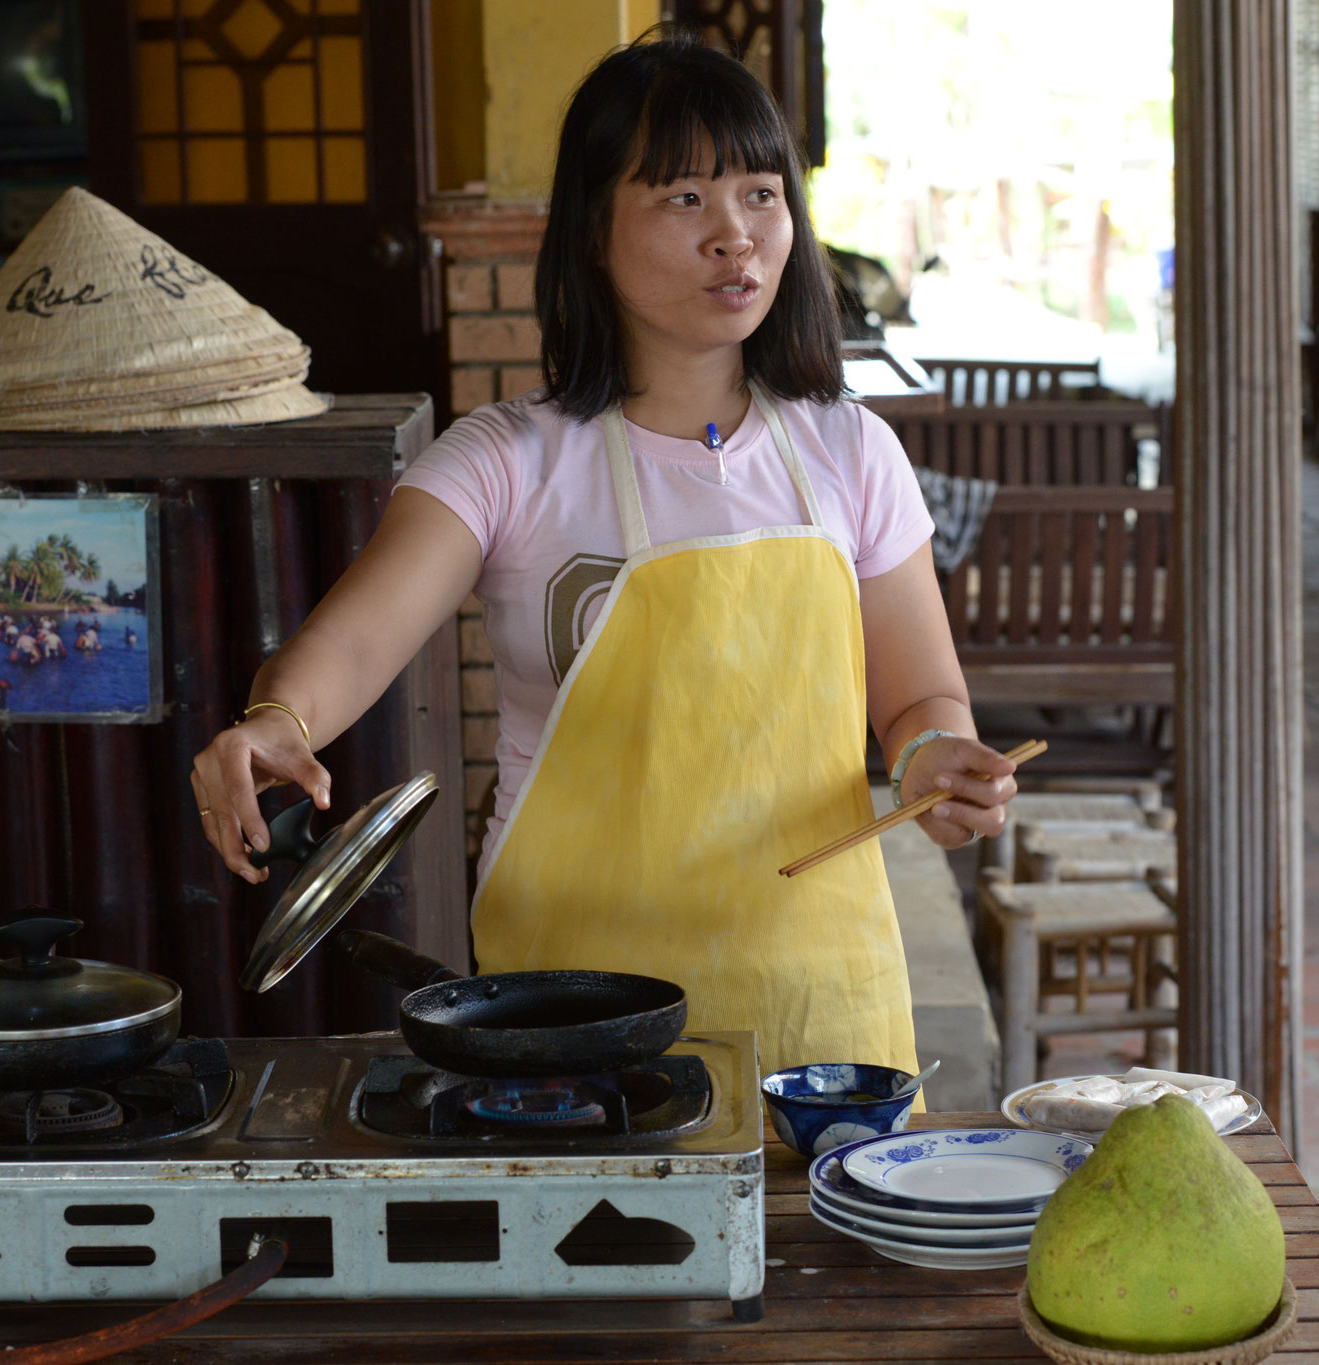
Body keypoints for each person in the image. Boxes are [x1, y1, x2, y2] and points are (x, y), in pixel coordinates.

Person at [188, 33, 1016, 1079]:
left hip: (818, 998)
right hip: (568, 1007)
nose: (735, 237)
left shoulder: (849, 448)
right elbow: (349, 649)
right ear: (591, 229)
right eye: (683, 199)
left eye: (762, 195)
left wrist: (936, 759)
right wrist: (273, 724)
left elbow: (917, 702)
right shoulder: (509, 460)